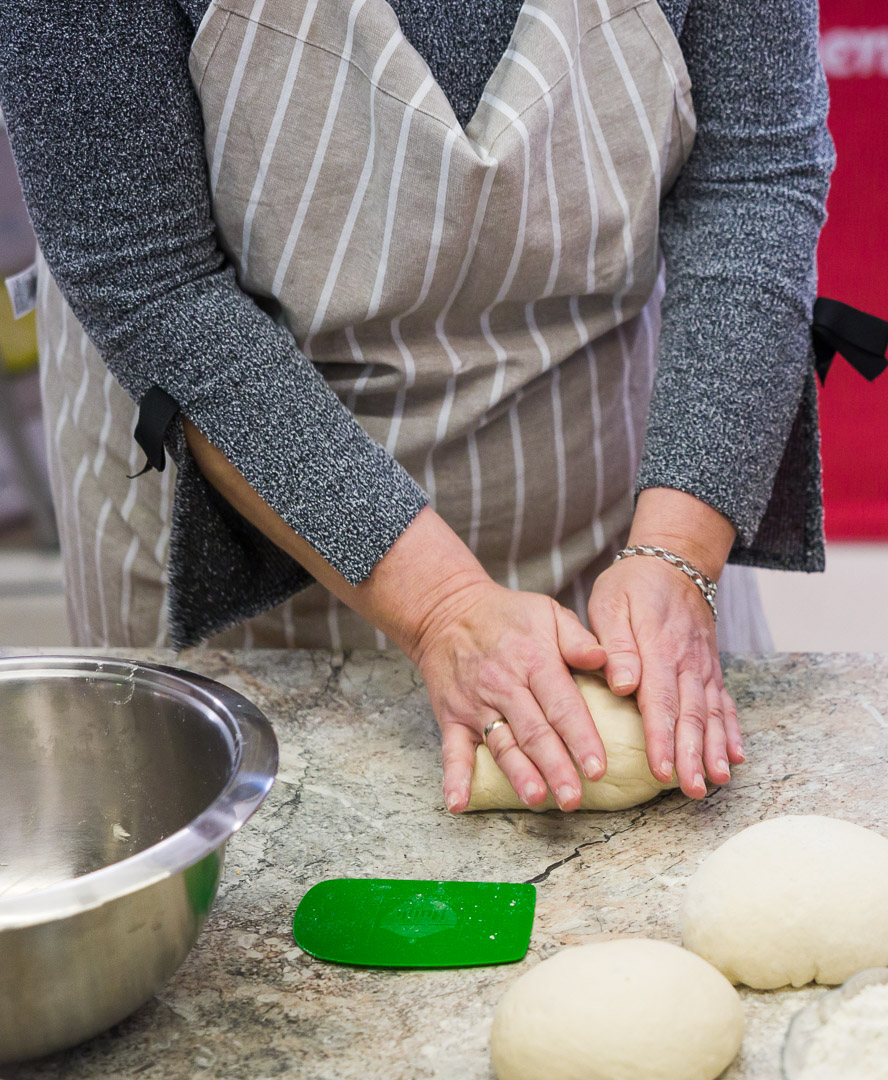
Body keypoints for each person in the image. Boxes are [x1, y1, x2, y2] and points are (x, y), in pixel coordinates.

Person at [0, 0, 832, 813]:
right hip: (241, 515)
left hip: (611, 493)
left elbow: (754, 179)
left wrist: (677, 554)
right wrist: (440, 607)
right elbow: (156, 283)